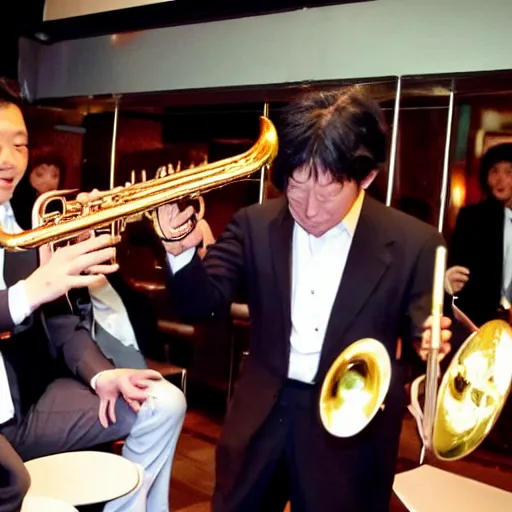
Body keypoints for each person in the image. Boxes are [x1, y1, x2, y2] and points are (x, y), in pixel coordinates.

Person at [158, 88, 452, 512]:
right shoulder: (253, 225)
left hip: (350, 433)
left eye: (329, 191)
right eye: (296, 188)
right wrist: (181, 250)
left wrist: (434, 349)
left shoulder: (415, 242)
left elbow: (425, 331)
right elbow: (202, 305)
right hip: (261, 419)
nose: (309, 209)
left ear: (366, 177)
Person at [0, 83, 186, 512]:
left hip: (30, 404)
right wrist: (29, 291)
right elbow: (26, 299)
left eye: (21, 145)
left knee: (163, 402)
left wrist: (105, 376)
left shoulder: (33, 222)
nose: (10, 160)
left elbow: (62, 323)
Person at [445, 143, 512, 327]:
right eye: (494, 171)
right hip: (478, 322)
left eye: (509, 173)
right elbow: (456, 272)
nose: (500, 180)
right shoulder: (471, 218)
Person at [10, 146, 65, 230]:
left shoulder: (60, 202)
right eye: (40, 174)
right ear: (27, 174)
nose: (48, 180)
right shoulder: (16, 201)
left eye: (55, 175)